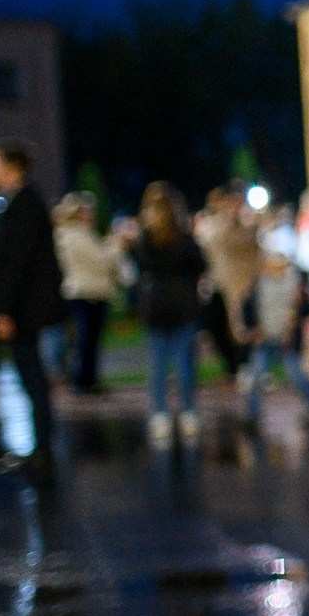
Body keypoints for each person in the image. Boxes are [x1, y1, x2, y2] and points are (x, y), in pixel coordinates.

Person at [0, 141, 67, 476]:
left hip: (24, 311)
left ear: (11, 167)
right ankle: (39, 447)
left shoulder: (23, 206)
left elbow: (14, 264)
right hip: (27, 308)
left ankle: (42, 449)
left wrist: (3, 309)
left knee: (32, 378)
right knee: (31, 378)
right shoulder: (22, 204)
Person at [128, 181, 209, 449]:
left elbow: (139, 268)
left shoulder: (145, 240)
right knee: (184, 362)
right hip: (183, 303)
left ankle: (160, 414)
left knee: (159, 363)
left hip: (156, 305)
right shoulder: (184, 239)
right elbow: (200, 266)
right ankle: (187, 412)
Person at [242, 239, 309, 425]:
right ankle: (252, 414)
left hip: (286, 340)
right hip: (265, 338)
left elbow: (303, 310)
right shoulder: (259, 284)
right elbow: (249, 308)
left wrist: (292, 331)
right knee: (255, 375)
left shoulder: (294, 284)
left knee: (297, 376)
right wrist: (254, 330)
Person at [53, 192, 121, 393]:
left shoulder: (70, 234)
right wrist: (115, 244)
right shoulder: (76, 235)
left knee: (87, 339)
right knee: (86, 339)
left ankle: (86, 378)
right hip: (86, 292)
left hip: (84, 291)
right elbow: (101, 261)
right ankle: (83, 380)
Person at [197, 187, 260, 388]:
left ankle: (245, 368)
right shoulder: (213, 225)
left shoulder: (242, 224)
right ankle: (234, 368)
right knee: (220, 330)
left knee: (241, 328)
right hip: (219, 285)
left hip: (240, 284)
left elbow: (249, 247)